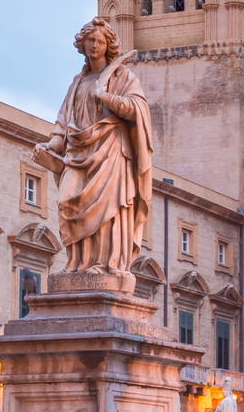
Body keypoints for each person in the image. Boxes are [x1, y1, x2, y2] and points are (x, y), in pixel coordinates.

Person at [35, 18, 154, 273]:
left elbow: (138, 109)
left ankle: (103, 264)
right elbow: (64, 122)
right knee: (68, 201)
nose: (95, 46)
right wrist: (52, 144)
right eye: (91, 41)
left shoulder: (124, 77)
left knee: (106, 211)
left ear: (108, 45)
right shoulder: (77, 82)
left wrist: (107, 97)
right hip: (78, 150)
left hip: (111, 149)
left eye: (100, 41)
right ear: (83, 43)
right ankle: (77, 263)